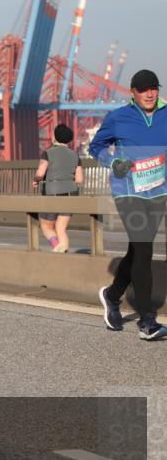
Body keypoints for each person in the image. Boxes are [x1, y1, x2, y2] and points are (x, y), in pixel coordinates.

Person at [90, 69, 167, 341]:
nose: (149, 93)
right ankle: (148, 321)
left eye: (153, 88)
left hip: (158, 192)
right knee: (145, 250)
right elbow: (95, 147)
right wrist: (113, 162)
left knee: (137, 251)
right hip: (128, 192)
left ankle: (112, 295)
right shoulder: (118, 117)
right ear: (132, 92)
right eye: (143, 89)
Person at [33, 124, 83, 253]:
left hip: (52, 193)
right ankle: (63, 251)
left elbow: (40, 173)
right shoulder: (75, 155)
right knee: (61, 228)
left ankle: (56, 245)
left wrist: (36, 181)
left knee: (46, 225)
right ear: (70, 139)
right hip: (71, 194)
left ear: (55, 136)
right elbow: (79, 180)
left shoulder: (48, 153)